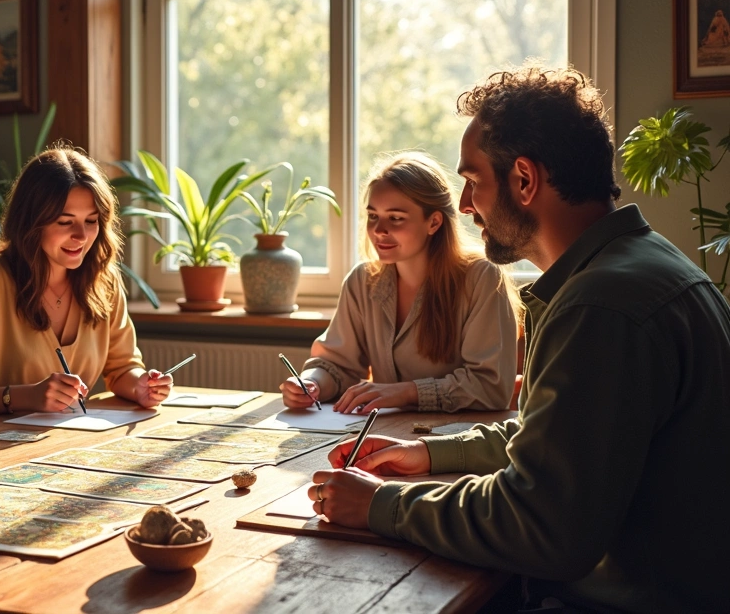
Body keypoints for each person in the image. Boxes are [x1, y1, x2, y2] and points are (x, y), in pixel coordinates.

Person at [309, 66, 730, 612]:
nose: (464, 206)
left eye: (473, 181)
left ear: (524, 180)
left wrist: (383, 506)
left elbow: (540, 526)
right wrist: (426, 453)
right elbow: (552, 434)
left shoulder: (600, 307)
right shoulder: (641, 267)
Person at [0, 147, 172, 416]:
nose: (81, 236)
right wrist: (23, 396)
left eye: (91, 221)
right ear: (31, 222)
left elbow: (123, 367)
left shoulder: (104, 280)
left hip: (72, 440)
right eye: (65, 222)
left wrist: (141, 385)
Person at [281, 152, 518, 414]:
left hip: (454, 442)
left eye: (395, 218)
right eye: (373, 216)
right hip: (385, 435)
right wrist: (312, 382)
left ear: (434, 222)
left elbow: (490, 387)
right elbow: (337, 364)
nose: (379, 230)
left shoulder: (482, 279)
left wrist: (404, 392)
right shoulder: (362, 281)